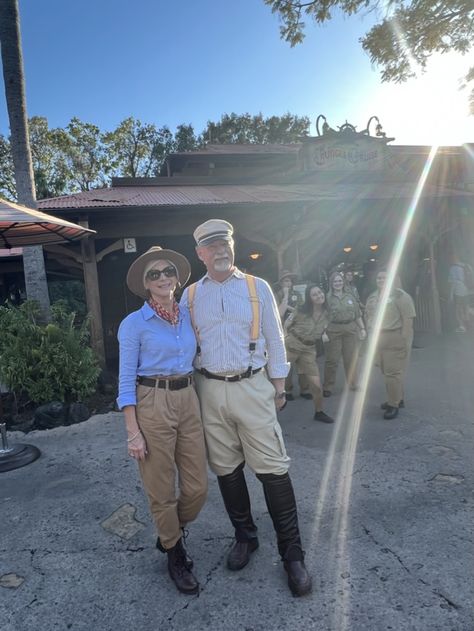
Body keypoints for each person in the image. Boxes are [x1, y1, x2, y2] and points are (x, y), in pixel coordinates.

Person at [181, 219, 312, 597]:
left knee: (272, 468)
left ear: (232, 247)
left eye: (226, 244)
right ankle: (245, 536)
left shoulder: (258, 288)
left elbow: (275, 336)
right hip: (208, 388)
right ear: (200, 253)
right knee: (225, 468)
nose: (221, 251)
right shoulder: (190, 296)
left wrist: (280, 386)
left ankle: (292, 555)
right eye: (212, 247)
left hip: (252, 386)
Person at [117, 246, 208, 595]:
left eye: (167, 270)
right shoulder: (134, 324)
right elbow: (125, 381)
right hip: (152, 400)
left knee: (198, 487)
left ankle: (169, 532)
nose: (162, 278)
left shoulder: (187, 314)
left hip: (188, 396)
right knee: (160, 486)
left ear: (177, 276)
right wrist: (132, 433)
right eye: (153, 274)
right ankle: (174, 552)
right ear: (145, 283)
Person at [365, 269, 416, 420]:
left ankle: (393, 404)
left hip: (394, 337)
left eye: (384, 278)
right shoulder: (373, 296)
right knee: (386, 372)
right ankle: (397, 398)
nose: (381, 280)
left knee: (392, 374)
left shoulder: (401, 296)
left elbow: (408, 320)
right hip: (378, 339)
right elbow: (368, 314)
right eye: (379, 278)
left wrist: (404, 341)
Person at [285, 284, 334, 423]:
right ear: (309, 298)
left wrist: (323, 333)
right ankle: (267, 415)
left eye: (320, 292)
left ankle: (319, 412)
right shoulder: (301, 310)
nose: (319, 296)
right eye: (314, 294)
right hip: (292, 347)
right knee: (279, 380)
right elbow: (286, 325)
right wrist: (285, 338)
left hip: (309, 350)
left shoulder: (327, 313)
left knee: (317, 386)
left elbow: (323, 327)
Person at [323, 271, 366, 396]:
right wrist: (323, 332)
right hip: (334, 330)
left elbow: (357, 314)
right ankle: (328, 386)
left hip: (350, 329)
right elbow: (324, 317)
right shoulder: (327, 298)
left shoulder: (350, 296)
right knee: (332, 360)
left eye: (340, 281)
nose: (338, 283)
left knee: (351, 359)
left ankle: (353, 384)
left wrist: (362, 328)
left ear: (343, 282)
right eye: (335, 281)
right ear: (331, 283)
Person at [275, 270, 311, 401]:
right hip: (285, 332)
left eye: (289, 280)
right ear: (281, 283)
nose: (288, 283)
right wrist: (285, 295)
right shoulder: (277, 295)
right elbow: (279, 312)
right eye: (285, 280)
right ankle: (288, 390)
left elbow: (302, 310)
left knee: (302, 362)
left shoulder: (297, 294)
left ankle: (304, 388)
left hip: (299, 331)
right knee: (288, 362)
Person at [448, 255, 471, 333]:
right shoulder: (467, 266)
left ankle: (462, 326)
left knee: (458, 310)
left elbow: (453, 283)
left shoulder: (453, 268)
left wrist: (451, 295)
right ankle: (468, 323)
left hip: (458, 291)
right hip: (468, 290)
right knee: (466, 308)